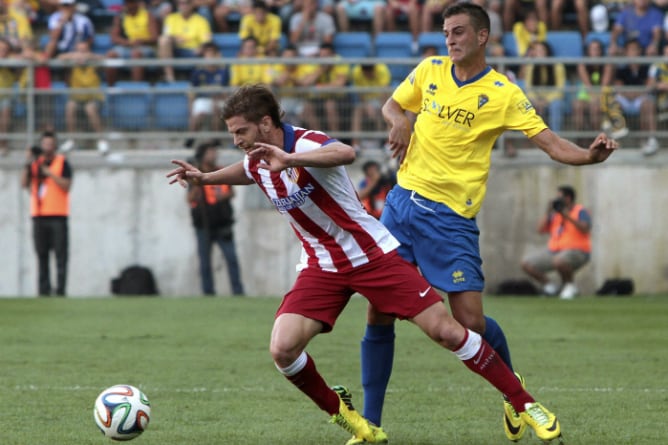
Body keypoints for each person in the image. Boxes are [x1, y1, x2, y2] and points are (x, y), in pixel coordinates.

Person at [167, 83, 564, 445]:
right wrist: (205, 178)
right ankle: (353, 422)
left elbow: (346, 152)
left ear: (266, 123)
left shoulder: (305, 144)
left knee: (446, 331)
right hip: (321, 265)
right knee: (283, 349)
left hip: (370, 255)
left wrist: (289, 159)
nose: (235, 140)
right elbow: (249, 172)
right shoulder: (256, 159)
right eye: (233, 133)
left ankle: (527, 405)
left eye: (241, 132)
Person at [358, 3, 616, 443]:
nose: (450, 40)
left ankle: (512, 396)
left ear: (482, 37)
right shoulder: (429, 70)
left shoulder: (503, 93)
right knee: (379, 310)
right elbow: (391, 104)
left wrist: (589, 156)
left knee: (470, 325)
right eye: (445, 32)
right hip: (401, 208)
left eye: (458, 32)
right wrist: (398, 119)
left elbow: (550, 143)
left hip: (450, 219)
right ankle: (369, 426)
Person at [188, 141, 245, 296]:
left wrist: (221, 196)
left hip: (223, 223)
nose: (214, 155)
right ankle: (208, 293)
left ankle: (238, 292)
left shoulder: (222, 171)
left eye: (215, 152)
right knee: (205, 262)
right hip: (203, 225)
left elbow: (231, 192)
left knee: (231, 259)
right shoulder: (195, 175)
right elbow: (189, 199)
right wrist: (198, 184)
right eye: (210, 152)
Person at [20, 131, 73, 297]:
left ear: (55, 145)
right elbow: (24, 184)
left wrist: (49, 173)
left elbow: (66, 185)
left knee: (60, 256)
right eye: (45, 144)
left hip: (58, 215)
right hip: (39, 215)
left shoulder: (62, 163)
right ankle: (43, 291)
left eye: (51, 144)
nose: (47, 147)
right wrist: (27, 162)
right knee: (41, 255)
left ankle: (61, 291)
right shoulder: (34, 164)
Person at [521, 185, 592, 300]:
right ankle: (550, 286)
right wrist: (547, 212)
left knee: (559, 260)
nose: (557, 200)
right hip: (554, 251)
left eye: (560, 197)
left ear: (568, 198)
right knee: (527, 263)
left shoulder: (580, 211)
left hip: (578, 251)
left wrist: (567, 215)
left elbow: (585, 228)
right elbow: (540, 229)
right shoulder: (555, 214)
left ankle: (569, 286)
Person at [57, 40, 109, 154]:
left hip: (93, 96)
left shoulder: (93, 62)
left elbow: (103, 58)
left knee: (90, 109)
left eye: (84, 50)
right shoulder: (73, 62)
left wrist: (88, 56)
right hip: (77, 96)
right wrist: (74, 56)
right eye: (79, 50)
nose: (81, 54)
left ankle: (101, 141)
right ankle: (71, 140)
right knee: (70, 107)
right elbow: (60, 57)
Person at [611, 38, 658, 155]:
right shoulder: (621, 68)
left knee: (648, 105)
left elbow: (649, 85)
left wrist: (634, 93)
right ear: (626, 52)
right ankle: (615, 140)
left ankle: (650, 140)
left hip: (640, 98)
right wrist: (632, 93)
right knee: (613, 104)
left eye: (636, 50)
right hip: (625, 98)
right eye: (631, 50)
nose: (634, 52)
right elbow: (619, 87)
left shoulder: (646, 67)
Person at [185, 42, 229, 148]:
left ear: (217, 56)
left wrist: (220, 98)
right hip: (203, 99)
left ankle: (215, 139)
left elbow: (226, 91)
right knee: (199, 112)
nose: (210, 57)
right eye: (207, 55)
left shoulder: (223, 71)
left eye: (212, 54)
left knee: (216, 108)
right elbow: (191, 92)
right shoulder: (198, 72)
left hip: (219, 99)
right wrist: (191, 109)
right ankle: (191, 138)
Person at [105, 0, 159, 86]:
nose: (130, 6)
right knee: (111, 55)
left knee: (136, 54)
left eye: (132, 3)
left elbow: (155, 37)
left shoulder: (148, 15)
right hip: (127, 46)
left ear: (137, 3)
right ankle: (110, 89)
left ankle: (135, 89)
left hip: (145, 46)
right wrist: (127, 42)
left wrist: (141, 41)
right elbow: (114, 38)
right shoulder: (120, 17)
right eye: (128, 3)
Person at [158, 0, 212, 83]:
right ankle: (170, 78)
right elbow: (166, 36)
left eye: (186, 3)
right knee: (163, 40)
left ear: (192, 5)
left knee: (209, 51)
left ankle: (207, 83)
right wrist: (174, 39)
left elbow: (207, 41)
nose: (183, 6)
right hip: (175, 50)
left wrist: (200, 48)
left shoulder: (201, 21)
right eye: (180, 3)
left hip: (192, 51)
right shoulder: (170, 18)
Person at [521, 41, 566, 132]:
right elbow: (528, 88)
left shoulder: (557, 66)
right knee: (527, 105)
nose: (539, 53)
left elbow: (560, 89)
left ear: (547, 51)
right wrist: (536, 100)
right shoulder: (530, 66)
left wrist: (546, 100)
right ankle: (533, 136)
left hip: (552, 99)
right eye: (536, 50)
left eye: (541, 50)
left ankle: (555, 135)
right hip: (536, 98)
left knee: (556, 105)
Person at [350, 62, 391, 151]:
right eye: (365, 74)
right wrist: (366, 105)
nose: (367, 76)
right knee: (358, 111)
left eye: (369, 73)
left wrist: (381, 108)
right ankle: (355, 144)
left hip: (383, 100)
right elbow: (360, 94)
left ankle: (388, 143)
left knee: (388, 113)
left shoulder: (382, 70)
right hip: (366, 101)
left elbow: (385, 93)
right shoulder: (356, 72)